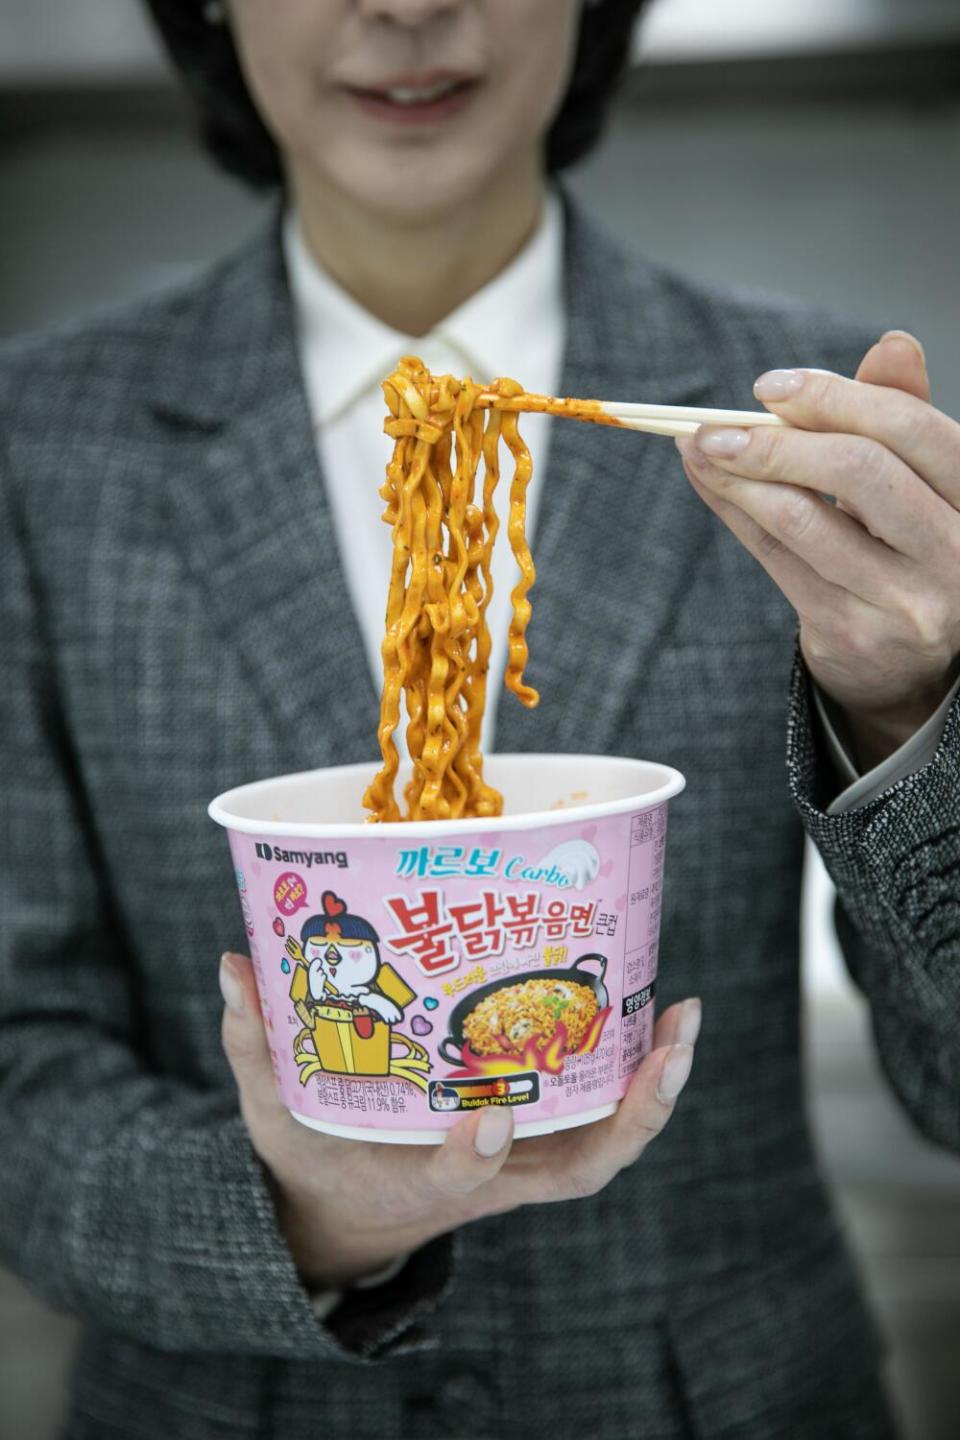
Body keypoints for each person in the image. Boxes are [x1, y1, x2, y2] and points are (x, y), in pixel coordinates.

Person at [1, 1, 958, 1436]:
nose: (403, 7)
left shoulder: (807, 435)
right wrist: (307, 1216)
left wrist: (910, 713)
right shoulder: (38, 441)